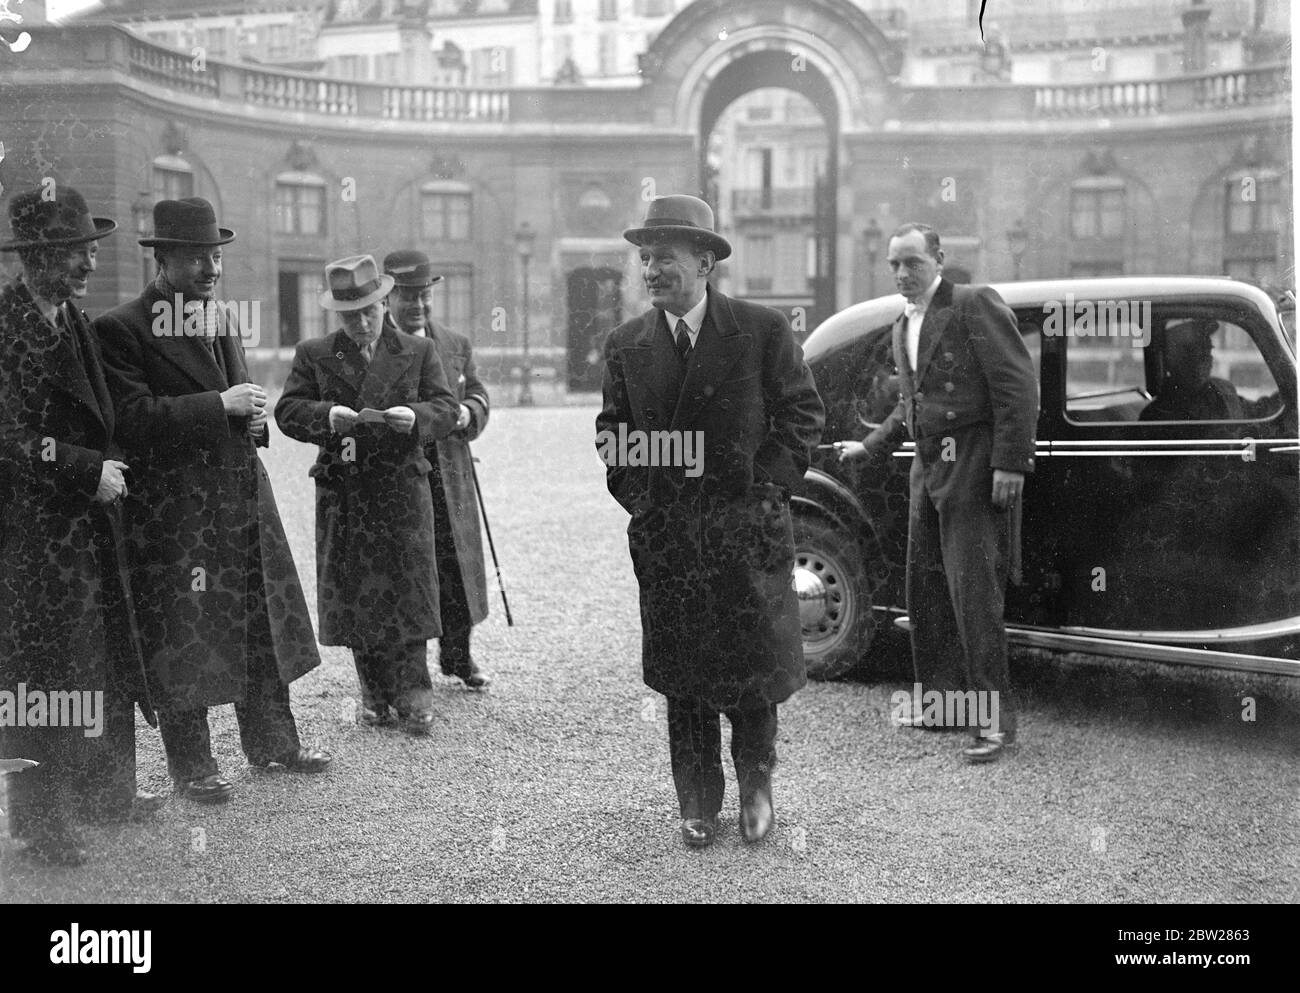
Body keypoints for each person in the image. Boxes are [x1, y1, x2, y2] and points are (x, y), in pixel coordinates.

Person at [597, 194, 824, 848]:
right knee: (683, 676)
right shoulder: (627, 345)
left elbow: (802, 415)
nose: (650, 271)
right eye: (644, 259)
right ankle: (697, 799)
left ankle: (757, 789)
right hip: (669, 539)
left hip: (745, 532)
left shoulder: (760, 330)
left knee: (755, 672)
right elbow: (613, 436)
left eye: (663, 257)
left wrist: (767, 489)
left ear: (704, 261)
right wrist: (644, 499)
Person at [94, 197, 328, 804]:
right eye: (196, 257)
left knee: (259, 620)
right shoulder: (120, 328)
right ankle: (192, 765)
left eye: (215, 256)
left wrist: (253, 421)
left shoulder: (219, 318)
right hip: (176, 514)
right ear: (164, 258)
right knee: (185, 632)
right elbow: (128, 420)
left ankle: (275, 743)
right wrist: (216, 407)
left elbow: (242, 400)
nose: (210, 268)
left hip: (241, 497)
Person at [0, 187, 160, 864]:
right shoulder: (8, 327)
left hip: (84, 523)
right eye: (75, 253)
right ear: (36, 256)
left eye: (90, 253)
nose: (88, 266)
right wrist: (82, 469)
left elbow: (105, 416)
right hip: (29, 534)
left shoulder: (71, 318)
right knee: (40, 675)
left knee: (97, 656)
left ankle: (104, 792)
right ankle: (41, 821)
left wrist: (110, 462)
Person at [837, 223, 1038, 763]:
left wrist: (1011, 463)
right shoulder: (905, 320)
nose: (903, 274)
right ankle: (946, 706)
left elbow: (1017, 385)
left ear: (940, 259)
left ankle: (995, 726)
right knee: (925, 591)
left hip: (973, 464)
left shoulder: (973, 304)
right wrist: (869, 446)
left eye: (913, 263)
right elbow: (911, 404)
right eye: (895, 264)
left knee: (974, 597)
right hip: (928, 471)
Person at [275, 255, 459, 732]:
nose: (361, 323)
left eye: (369, 312)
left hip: (402, 489)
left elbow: (446, 406)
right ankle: (374, 692)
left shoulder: (418, 350)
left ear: (383, 304)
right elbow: (287, 411)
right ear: (337, 313)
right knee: (359, 591)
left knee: (410, 588)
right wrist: (325, 415)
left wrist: (416, 417)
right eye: (350, 314)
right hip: (346, 492)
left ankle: (415, 693)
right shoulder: (314, 353)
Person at [382, 249, 492, 689]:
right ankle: (410, 671)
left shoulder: (455, 343)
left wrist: (469, 413)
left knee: (456, 565)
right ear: (388, 298)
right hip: (404, 475)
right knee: (411, 571)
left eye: (424, 297)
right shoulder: (377, 347)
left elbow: (480, 393)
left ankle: (458, 657)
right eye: (407, 297)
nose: (418, 306)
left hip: (452, 474)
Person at [1140, 318, 1280, 423]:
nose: (1206, 359)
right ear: (1173, 360)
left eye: (1207, 350)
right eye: (1194, 352)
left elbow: (1258, 413)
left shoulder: (1221, 390)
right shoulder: (1156, 416)